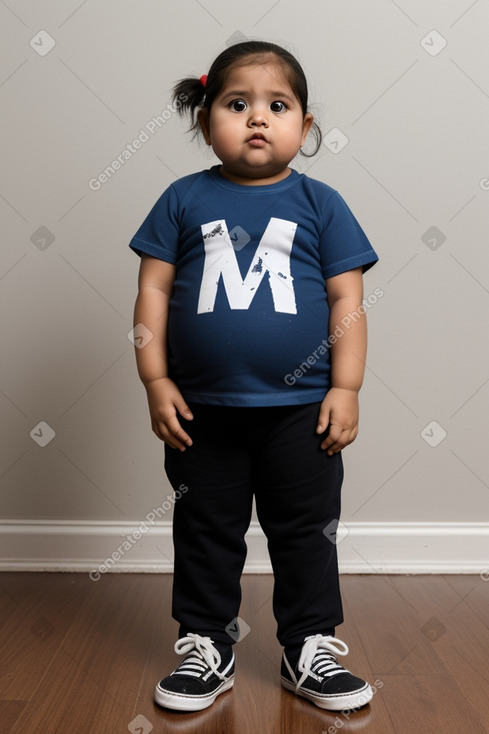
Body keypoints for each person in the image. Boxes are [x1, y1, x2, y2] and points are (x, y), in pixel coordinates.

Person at [129, 40, 379, 714]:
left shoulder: (320, 204)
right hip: (201, 410)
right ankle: (206, 643)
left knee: (305, 528)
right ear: (207, 118)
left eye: (277, 105)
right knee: (206, 527)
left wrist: (345, 387)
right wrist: (156, 379)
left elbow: (345, 302)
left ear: (304, 125)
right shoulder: (181, 200)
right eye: (237, 105)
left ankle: (309, 646)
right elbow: (152, 293)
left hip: (301, 409)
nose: (257, 119)